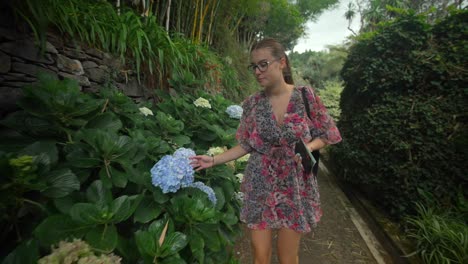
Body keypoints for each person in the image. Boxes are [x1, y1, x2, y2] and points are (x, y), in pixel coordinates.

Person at [190, 38, 341, 264]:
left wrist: (307, 147)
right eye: (254, 66)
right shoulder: (252, 104)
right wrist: (214, 160)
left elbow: (327, 133)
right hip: (260, 184)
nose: (258, 71)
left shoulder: (305, 96)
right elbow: (246, 144)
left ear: (281, 63)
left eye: (263, 64)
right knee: (260, 256)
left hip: (294, 186)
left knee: (287, 257)